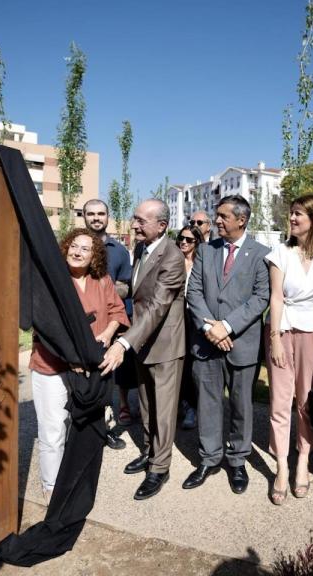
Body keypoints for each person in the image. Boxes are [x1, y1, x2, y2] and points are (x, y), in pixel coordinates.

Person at [28, 229, 129, 504]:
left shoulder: (102, 279)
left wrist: (108, 333)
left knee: (83, 427)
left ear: (94, 255)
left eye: (86, 249)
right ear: (65, 248)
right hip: (53, 365)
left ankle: (74, 480)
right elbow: (46, 327)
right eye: (74, 246)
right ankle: (51, 487)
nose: (78, 252)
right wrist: (71, 356)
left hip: (90, 367)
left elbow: (118, 312)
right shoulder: (54, 281)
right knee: (53, 429)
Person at [99, 199, 186, 501]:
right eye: (134, 219)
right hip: (143, 342)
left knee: (163, 410)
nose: (134, 225)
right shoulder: (141, 249)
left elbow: (156, 307)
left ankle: (160, 468)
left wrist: (123, 342)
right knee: (147, 403)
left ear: (161, 225)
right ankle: (149, 453)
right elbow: (136, 291)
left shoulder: (172, 256)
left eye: (140, 220)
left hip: (164, 345)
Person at [184, 194, 271, 494]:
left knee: (240, 406)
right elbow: (193, 292)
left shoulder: (261, 253)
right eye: (217, 215)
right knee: (207, 403)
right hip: (207, 342)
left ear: (241, 220)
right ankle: (208, 458)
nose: (216, 220)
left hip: (241, 344)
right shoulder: (206, 251)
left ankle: (237, 461)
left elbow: (261, 297)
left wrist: (228, 327)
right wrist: (210, 327)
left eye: (222, 216)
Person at [265, 194, 313, 505]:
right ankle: (281, 467)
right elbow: (276, 298)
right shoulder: (280, 253)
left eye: (298, 214)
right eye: (291, 214)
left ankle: (303, 460)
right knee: (280, 402)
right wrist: (275, 338)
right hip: (284, 330)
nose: (291, 219)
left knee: (306, 402)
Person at [83, 199, 136, 429]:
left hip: (114, 318)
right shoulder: (74, 247)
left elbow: (126, 284)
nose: (96, 217)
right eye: (91, 213)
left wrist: (106, 292)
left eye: (101, 213)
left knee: (119, 365)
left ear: (108, 217)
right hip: (84, 318)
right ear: (84, 216)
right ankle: (94, 413)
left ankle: (122, 404)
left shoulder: (119, 251)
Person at [176, 224, 203, 430]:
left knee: (193, 365)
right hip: (176, 319)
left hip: (194, 320)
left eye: (189, 240)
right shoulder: (174, 261)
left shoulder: (201, 263)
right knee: (179, 364)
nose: (183, 242)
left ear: (197, 242)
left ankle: (192, 407)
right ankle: (180, 405)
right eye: (181, 238)